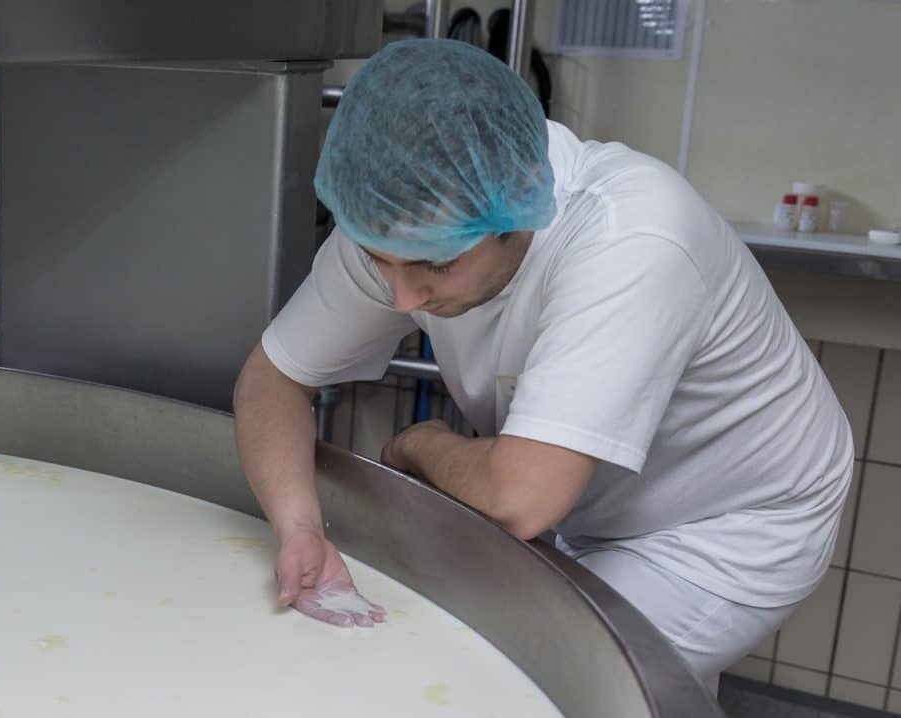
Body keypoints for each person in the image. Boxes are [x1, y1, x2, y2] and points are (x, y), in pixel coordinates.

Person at [232, 39, 853, 692]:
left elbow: (519, 500)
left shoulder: (630, 239)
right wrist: (299, 531)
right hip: (587, 502)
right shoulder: (399, 217)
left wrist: (425, 445)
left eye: (436, 264)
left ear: (520, 212)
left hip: (730, 524)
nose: (404, 298)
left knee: (530, 686)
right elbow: (271, 380)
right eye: (379, 261)